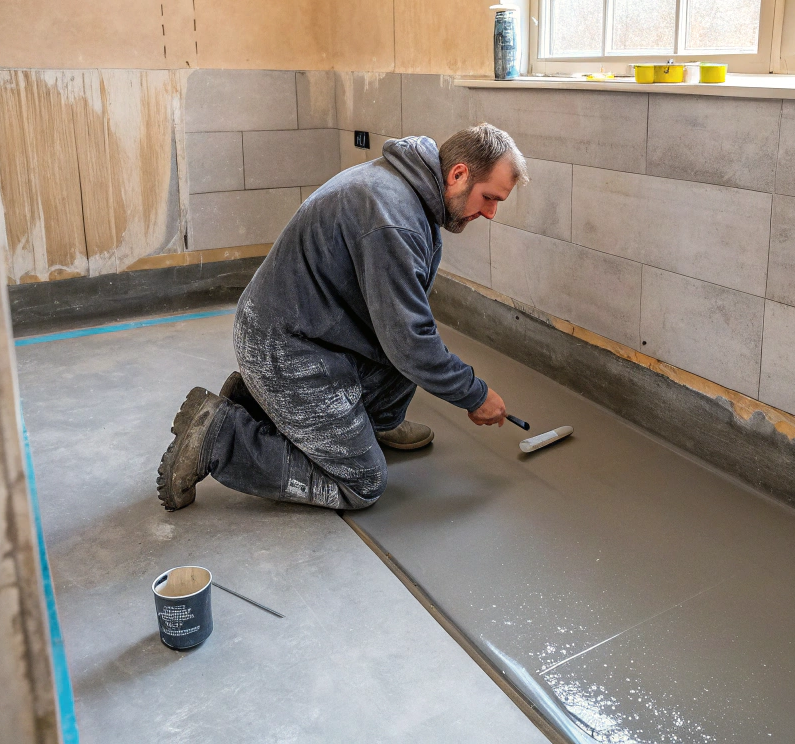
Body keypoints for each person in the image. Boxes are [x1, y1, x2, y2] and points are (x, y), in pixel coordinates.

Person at [157, 124, 528, 512]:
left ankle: (337, 420)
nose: (490, 213)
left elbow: (406, 324)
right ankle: (220, 438)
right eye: (489, 198)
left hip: (313, 330)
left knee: (411, 346)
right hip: (285, 347)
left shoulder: (409, 190)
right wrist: (474, 394)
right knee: (363, 482)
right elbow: (410, 344)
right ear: (458, 174)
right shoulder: (394, 218)